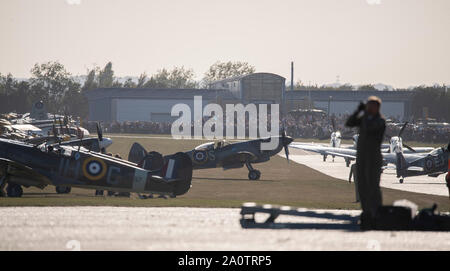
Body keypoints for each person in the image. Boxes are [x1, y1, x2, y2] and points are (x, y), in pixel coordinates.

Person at [345, 96, 386, 230]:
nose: (368, 108)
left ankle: (377, 212)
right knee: (362, 185)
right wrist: (358, 111)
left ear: (376, 108)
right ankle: (366, 211)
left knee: (373, 185)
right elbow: (350, 123)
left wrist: (365, 115)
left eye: (370, 106)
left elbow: (369, 129)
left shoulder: (380, 121)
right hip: (362, 156)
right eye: (367, 105)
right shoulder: (364, 119)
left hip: (373, 157)